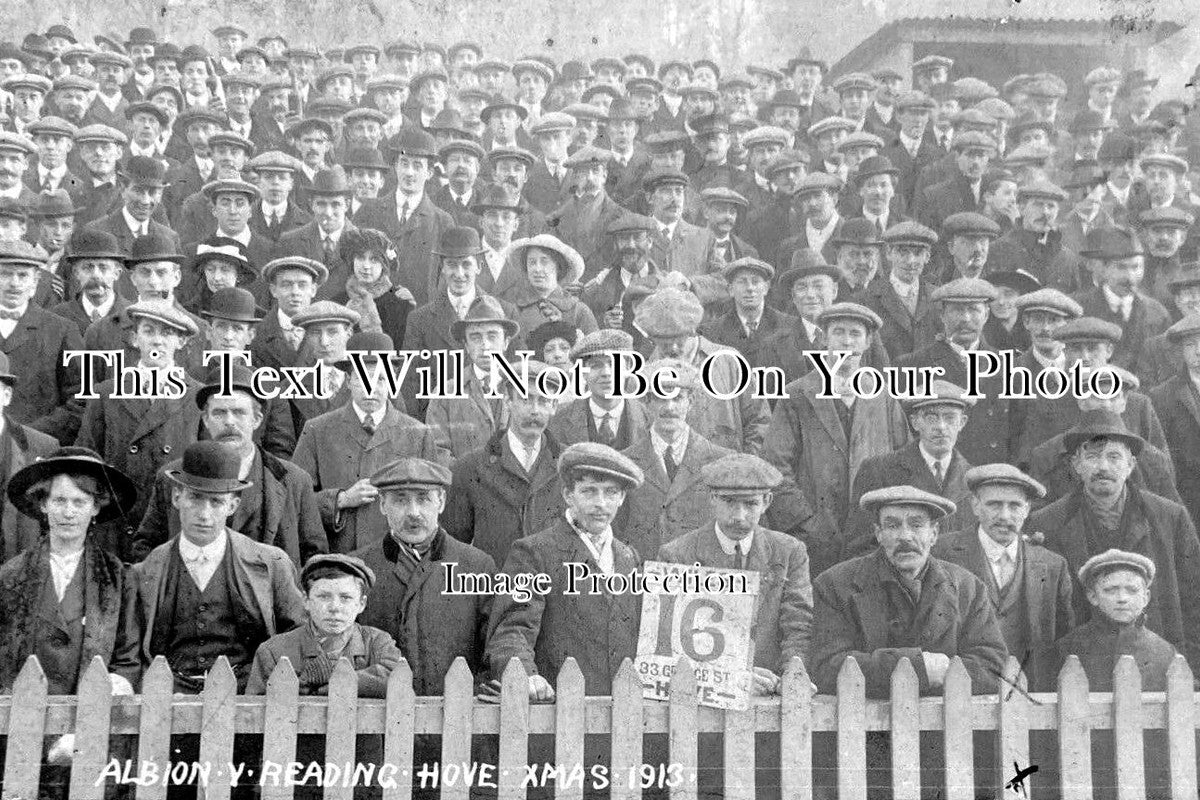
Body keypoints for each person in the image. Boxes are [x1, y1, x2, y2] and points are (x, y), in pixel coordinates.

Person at [657, 452, 811, 800]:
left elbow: (797, 619)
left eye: (750, 504)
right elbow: (670, 639)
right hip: (702, 706)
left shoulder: (789, 551)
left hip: (771, 702)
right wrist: (734, 677)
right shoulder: (677, 554)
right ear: (711, 500)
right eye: (728, 502)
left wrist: (793, 670)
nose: (739, 516)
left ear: (767, 501)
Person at [1027, 411, 1200, 669]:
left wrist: (1193, 674)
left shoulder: (1169, 517)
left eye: (1114, 456)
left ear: (1130, 465)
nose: (1103, 467)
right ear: (1076, 464)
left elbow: (1194, 598)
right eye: (1093, 457)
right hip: (1077, 668)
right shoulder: (1047, 523)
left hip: (1158, 665)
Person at [809, 484, 1006, 696]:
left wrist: (942, 672)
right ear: (879, 534)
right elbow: (825, 668)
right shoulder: (835, 585)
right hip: (864, 725)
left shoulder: (969, 588)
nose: (905, 536)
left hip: (944, 725)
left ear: (934, 534)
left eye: (916, 525)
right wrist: (921, 668)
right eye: (893, 526)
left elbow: (993, 669)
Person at [764, 301, 910, 575]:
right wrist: (805, 522)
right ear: (824, 339)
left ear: (867, 342)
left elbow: (903, 462)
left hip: (871, 539)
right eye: (838, 333)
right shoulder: (797, 395)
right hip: (811, 540)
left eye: (855, 334)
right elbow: (775, 466)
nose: (846, 342)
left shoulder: (884, 397)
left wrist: (884, 520)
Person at [133, 362, 327, 566]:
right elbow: (146, 547)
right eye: (219, 413)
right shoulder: (172, 476)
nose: (229, 422)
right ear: (206, 420)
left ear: (257, 419)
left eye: (239, 412)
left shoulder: (293, 480)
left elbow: (314, 557)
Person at [292, 331, 447, 552]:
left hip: (398, 558)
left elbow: (434, 504)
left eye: (380, 379)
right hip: (339, 558)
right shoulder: (317, 430)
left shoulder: (418, 434)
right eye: (361, 378)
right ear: (348, 381)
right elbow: (295, 498)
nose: (370, 388)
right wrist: (341, 500)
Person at [74, 298, 202, 560]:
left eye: (167, 333)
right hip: (117, 524)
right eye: (149, 331)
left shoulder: (198, 397)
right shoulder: (106, 393)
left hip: (172, 524)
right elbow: (86, 459)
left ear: (181, 342)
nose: (157, 341)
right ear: (134, 339)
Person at [932, 464, 1074, 690]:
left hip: (1028, 694)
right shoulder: (941, 554)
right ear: (975, 506)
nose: (1004, 516)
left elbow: (1063, 641)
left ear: (1027, 509)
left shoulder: (1052, 566)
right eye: (994, 505)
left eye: (1014, 506)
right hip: (961, 691)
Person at [443, 360, 566, 566]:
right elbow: (454, 547)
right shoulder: (470, 468)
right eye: (525, 399)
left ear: (554, 406)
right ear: (508, 400)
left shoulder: (569, 466)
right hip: (495, 590)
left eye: (544, 401)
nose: (534, 410)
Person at [620, 358, 735, 560]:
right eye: (660, 398)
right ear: (647, 403)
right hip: (645, 578)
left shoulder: (722, 462)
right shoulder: (626, 463)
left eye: (677, 398)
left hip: (703, 579)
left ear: (690, 402)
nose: (669, 407)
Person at [634, 286, 770, 453]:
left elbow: (760, 421)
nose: (673, 348)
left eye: (679, 339)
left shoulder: (728, 361)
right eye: (664, 342)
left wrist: (747, 465)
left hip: (726, 474)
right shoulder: (644, 376)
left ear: (692, 330)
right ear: (652, 338)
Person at [245, 553, 401, 696]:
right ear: (306, 600)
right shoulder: (273, 651)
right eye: (324, 596)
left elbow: (396, 677)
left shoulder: (377, 643)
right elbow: (253, 713)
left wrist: (327, 685)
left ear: (361, 604)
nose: (334, 607)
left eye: (345, 598)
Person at [896, 277, 1014, 465]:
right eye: (957, 310)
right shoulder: (911, 366)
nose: (965, 319)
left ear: (986, 315)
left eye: (973, 309)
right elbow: (901, 435)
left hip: (991, 475)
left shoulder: (1009, 366)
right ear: (942, 315)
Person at [546, 329, 649, 449]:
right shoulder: (558, 420)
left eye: (613, 364)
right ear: (583, 372)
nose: (606, 373)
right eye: (595, 365)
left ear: (629, 367)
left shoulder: (648, 419)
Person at [500, 233, 598, 336]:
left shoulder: (579, 311)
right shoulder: (513, 310)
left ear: (558, 266)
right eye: (532, 262)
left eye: (544, 262)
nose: (537, 269)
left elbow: (596, 349)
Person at [332, 226, 414, 348]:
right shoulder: (337, 303)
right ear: (352, 261)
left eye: (374, 259)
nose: (366, 266)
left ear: (384, 265)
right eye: (360, 258)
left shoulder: (400, 302)